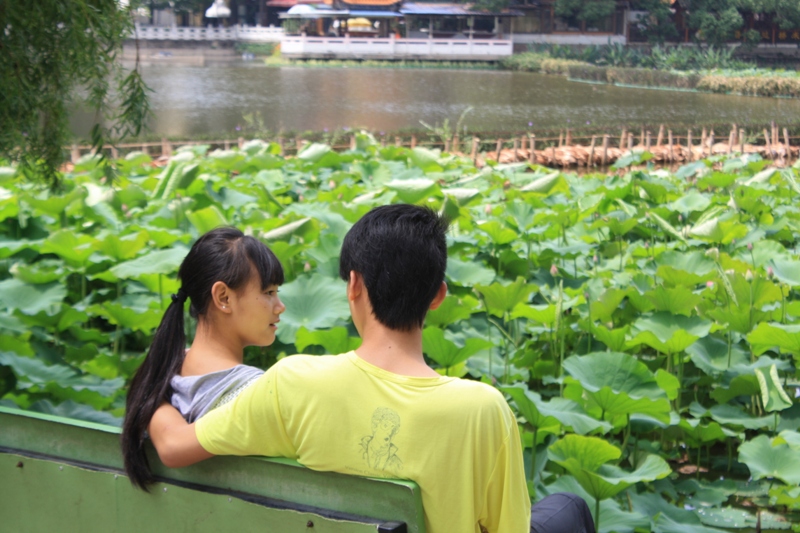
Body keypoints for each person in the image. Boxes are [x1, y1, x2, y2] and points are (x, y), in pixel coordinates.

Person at [147, 205, 595, 533]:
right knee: (569, 508)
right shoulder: (485, 410)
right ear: (437, 296)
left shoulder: (293, 383)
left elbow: (172, 444)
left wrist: (153, 385)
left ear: (354, 285)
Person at [121, 227, 285, 490]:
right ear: (223, 298)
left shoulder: (161, 376)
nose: (280, 306)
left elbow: (171, 442)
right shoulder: (256, 391)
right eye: (268, 292)